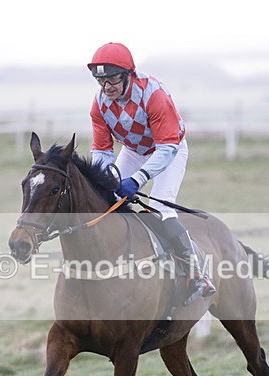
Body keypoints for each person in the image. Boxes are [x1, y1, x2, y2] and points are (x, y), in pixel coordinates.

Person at [87, 42, 215, 306]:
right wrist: (102, 179)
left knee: (158, 208)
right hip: (134, 150)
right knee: (101, 198)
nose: (106, 86)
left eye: (111, 78)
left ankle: (196, 274)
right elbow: (101, 150)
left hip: (169, 149)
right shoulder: (99, 104)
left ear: (127, 75)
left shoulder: (153, 95)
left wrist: (137, 179)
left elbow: (167, 146)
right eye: (101, 80)